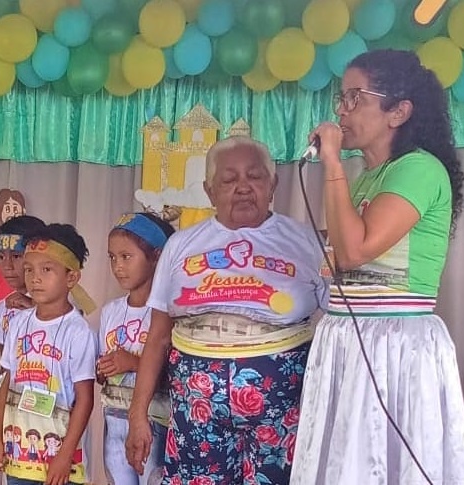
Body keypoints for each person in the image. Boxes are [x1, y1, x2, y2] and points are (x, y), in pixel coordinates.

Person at [291, 49, 464, 484]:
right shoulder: (369, 177)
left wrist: (331, 161)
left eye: (355, 97)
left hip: (395, 344)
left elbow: (354, 251)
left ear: (399, 112)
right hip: (350, 339)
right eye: (340, 97)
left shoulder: (420, 170)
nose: (340, 110)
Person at [126, 136, 327, 484]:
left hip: (282, 404)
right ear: (209, 190)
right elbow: (157, 337)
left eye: (255, 176)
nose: (243, 188)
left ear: (273, 184)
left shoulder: (305, 241)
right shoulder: (181, 246)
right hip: (197, 408)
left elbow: (337, 323)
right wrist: (137, 415)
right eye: (229, 179)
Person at [0, 223, 97, 485]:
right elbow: (6, 383)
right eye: (29, 269)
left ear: (71, 277)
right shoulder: (18, 323)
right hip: (19, 456)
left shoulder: (78, 332)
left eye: (47, 270)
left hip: (59, 462)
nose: (35, 278)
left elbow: (85, 399)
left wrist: (65, 455)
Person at [97, 212, 175, 485]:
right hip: (114, 418)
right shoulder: (110, 312)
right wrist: (103, 369)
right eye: (112, 257)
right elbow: (100, 372)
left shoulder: (170, 315)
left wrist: (133, 363)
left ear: (156, 257)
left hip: (156, 422)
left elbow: (177, 377)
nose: (118, 266)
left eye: (126, 257)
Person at [0, 215, 47, 352]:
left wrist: (34, 307)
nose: (7, 266)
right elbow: (5, 364)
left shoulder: (59, 301)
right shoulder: (3, 308)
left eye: (16, 256)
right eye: (1, 257)